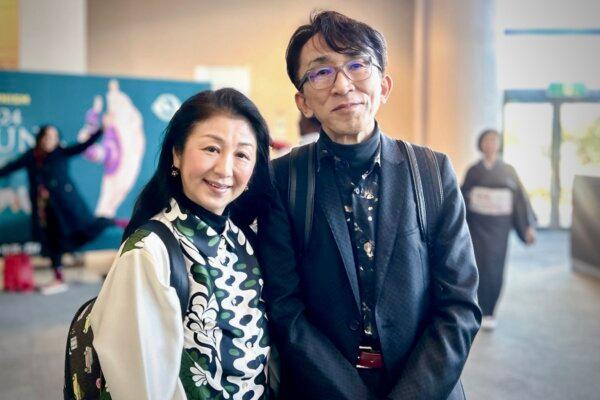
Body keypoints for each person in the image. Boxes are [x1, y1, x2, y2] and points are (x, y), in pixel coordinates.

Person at [256, 10, 481, 400]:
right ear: (303, 101)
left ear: (384, 85)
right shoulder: (284, 180)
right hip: (321, 390)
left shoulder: (432, 172)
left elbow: (459, 305)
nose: (343, 85)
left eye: (357, 64)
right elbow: (284, 308)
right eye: (321, 72)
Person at [89, 88, 273, 399]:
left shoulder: (246, 243)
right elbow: (138, 388)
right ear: (177, 153)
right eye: (212, 149)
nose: (225, 169)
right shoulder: (149, 252)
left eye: (242, 154)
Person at [0, 123, 114, 294]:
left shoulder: (61, 153)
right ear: (40, 138)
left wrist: (101, 130)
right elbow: (10, 167)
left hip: (68, 208)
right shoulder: (32, 156)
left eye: (54, 137)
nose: (50, 140)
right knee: (52, 242)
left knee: (88, 229)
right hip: (45, 210)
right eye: (47, 137)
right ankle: (58, 277)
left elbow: (84, 145)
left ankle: (116, 223)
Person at [462, 129, 536, 331]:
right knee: (476, 264)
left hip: (499, 227)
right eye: (487, 140)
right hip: (478, 225)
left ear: (499, 144)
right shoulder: (473, 170)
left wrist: (528, 226)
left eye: (495, 141)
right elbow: (461, 197)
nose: (491, 144)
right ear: (481, 143)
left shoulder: (508, 170)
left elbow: (520, 199)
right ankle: (474, 306)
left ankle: (489, 311)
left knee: (495, 265)